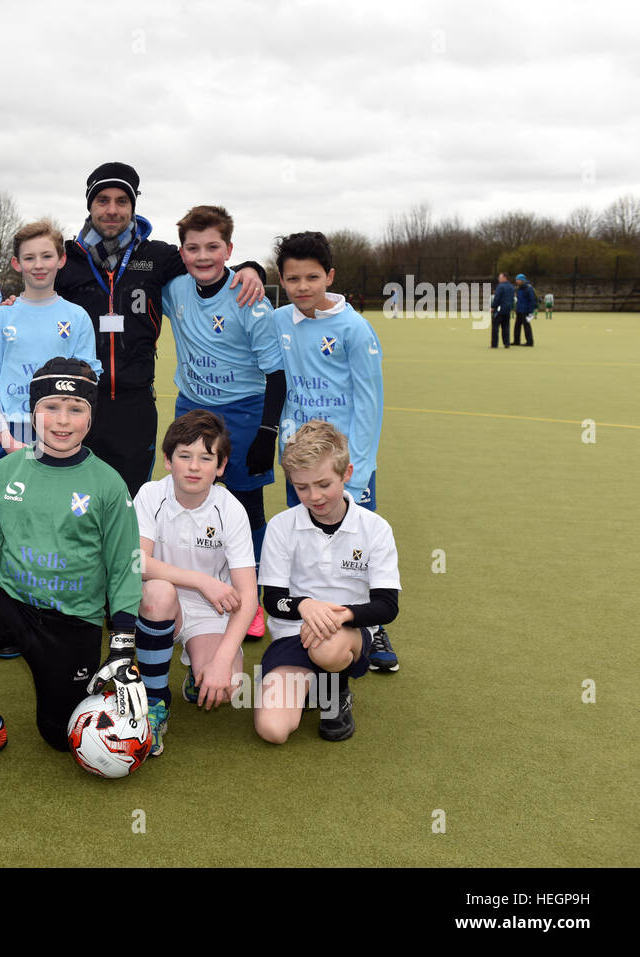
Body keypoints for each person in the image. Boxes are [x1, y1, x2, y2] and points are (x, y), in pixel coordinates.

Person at [0, 357, 146, 779]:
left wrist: (124, 643)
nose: (62, 420)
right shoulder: (5, 472)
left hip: (73, 620)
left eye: (75, 409)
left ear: (91, 416)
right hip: (10, 602)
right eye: (51, 407)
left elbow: (123, 566)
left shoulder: (108, 484)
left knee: (60, 737)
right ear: (32, 411)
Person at [54, 161, 266, 497]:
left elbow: (207, 262)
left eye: (122, 201)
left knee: (130, 501)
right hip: (78, 401)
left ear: (133, 206)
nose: (112, 210)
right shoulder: (65, 258)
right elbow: (35, 292)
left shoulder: (157, 256)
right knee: (72, 497)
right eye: (102, 200)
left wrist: (252, 269)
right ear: (90, 205)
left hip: (135, 404)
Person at [272, 231, 397, 673]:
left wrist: (357, 472)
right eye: (292, 279)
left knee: (356, 548)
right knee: (304, 544)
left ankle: (371, 628)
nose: (302, 287)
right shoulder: (281, 321)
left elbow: (369, 404)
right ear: (281, 280)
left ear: (330, 275)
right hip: (299, 461)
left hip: (345, 466)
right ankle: (305, 621)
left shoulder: (355, 328)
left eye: (311, 277)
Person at [162, 204, 285, 640]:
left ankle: (249, 599)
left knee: (248, 506)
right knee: (191, 499)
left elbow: (277, 374)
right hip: (192, 408)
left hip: (245, 411)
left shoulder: (250, 298)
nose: (203, 256)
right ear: (181, 252)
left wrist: (266, 434)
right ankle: (195, 592)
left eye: (213, 247)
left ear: (229, 249)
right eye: (193, 248)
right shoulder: (174, 289)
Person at [253, 421, 399, 744]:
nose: (313, 496)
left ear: (346, 473)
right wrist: (305, 605)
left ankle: (337, 693)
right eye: (302, 487)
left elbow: (387, 606)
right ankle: (313, 685)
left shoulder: (375, 529)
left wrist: (340, 616)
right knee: (272, 730)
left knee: (327, 646)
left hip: (345, 636)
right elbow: (273, 599)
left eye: (323, 484)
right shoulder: (281, 527)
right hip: (294, 634)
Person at [134, 410, 257, 755]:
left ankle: (197, 668)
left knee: (229, 683)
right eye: (184, 456)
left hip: (208, 611)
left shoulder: (230, 509)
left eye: (205, 458)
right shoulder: (149, 495)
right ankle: (155, 703)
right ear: (167, 461)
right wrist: (201, 580)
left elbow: (248, 596)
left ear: (220, 466)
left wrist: (222, 659)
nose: (193, 466)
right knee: (159, 591)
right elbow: (137, 562)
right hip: (159, 600)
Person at [0, 219, 102, 464]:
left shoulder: (77, 317)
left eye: (46, 256)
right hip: (12, 428)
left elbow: (88, 382)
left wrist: (72, 429)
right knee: (8, 502)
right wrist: (5, 437)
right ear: (17, 263)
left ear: (61, 260)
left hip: (61, 428)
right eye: (29, 258)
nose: (38, 265)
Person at [490, 272, 514, 348]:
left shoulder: (500, 287)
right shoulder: (511, 287)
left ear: (505, 277)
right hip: (507, 310)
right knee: (506, 327)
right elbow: (512, 299)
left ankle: (494, 344)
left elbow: (497, 298)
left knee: (495, 327)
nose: (499, 279)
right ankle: (506, 343)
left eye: (500, 277)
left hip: (499, 309)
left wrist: (493, 307)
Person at [513, 273, 537, 347]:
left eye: (518, 279)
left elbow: (532, 300)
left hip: (526, 311)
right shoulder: (518, 288)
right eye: (516, 279)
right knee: (517, 326)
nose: (516, 281)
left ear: (522, 280)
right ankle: (516, 341)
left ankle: (530, 342)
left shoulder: (529, 288)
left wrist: (530, 312)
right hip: (519, 310)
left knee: (526, 326)